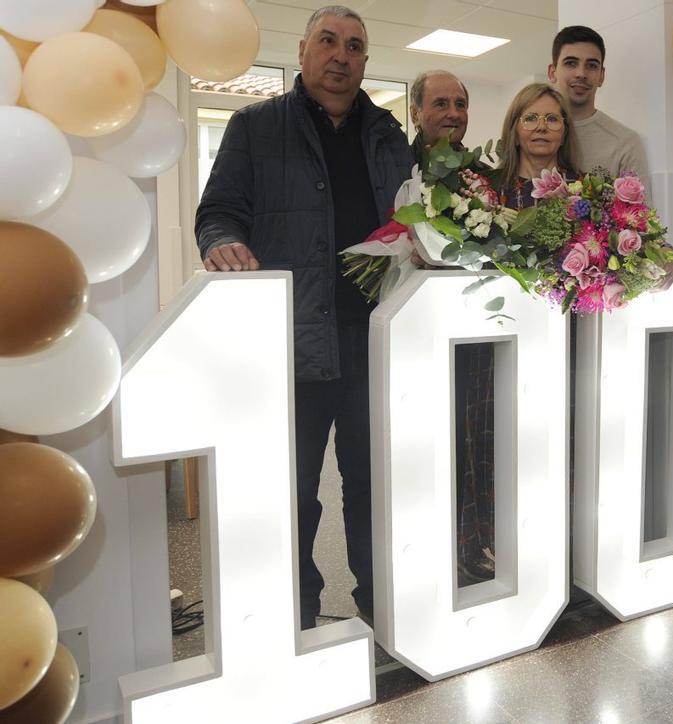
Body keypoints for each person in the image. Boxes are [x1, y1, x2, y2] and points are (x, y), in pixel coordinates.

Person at [196, 5, 412, 629]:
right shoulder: (255, 126)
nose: (341, 56)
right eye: (328, 41)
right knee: (293, 491)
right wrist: (219, 242)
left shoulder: (387, 135)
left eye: (354, 46)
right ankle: (296, 614)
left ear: (366, 61)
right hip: (295, 343)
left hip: (377, 341)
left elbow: (414, 219)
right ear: (303, 51)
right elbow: (219, 210)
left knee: (375, 486)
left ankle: (384, 605)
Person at [548, 26, 650, 190]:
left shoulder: (624, 143)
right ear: (552, 72)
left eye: (591, 65)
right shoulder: (531, 133)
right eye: (571, 63)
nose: (581, 73)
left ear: (601, 76)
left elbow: (640, 214)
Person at [496, 82, 581, 209]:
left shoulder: (586, 190)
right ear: (514, 133)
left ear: (564, 134)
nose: (541, 127)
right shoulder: (490, 190)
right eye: (530, 118)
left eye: (552, 119)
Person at [408, 69, 469, 158]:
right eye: (441, 104)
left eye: (460, 105)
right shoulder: (392, 170)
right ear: (415, 115)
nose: (454, 114)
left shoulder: (484, 171)